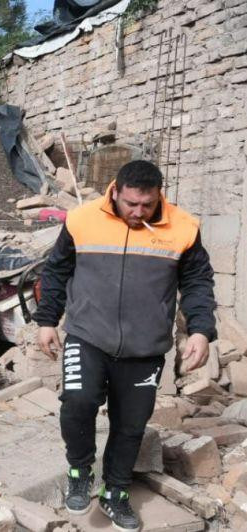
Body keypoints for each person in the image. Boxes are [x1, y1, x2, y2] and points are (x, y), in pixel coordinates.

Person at [33, 160, 216, 532]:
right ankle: (79, 470)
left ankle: (115, 491)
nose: (137, 212)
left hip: (145, 348)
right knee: (78, 402)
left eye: (146, 205)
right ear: (114, 191)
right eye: (130, 203)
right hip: (88, 335)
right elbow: (56, 270)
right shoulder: (82, 220)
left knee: (131, 424)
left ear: (158, 197)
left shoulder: (182, 228)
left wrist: (200, 330)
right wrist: (47, 320)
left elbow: (197, 281)